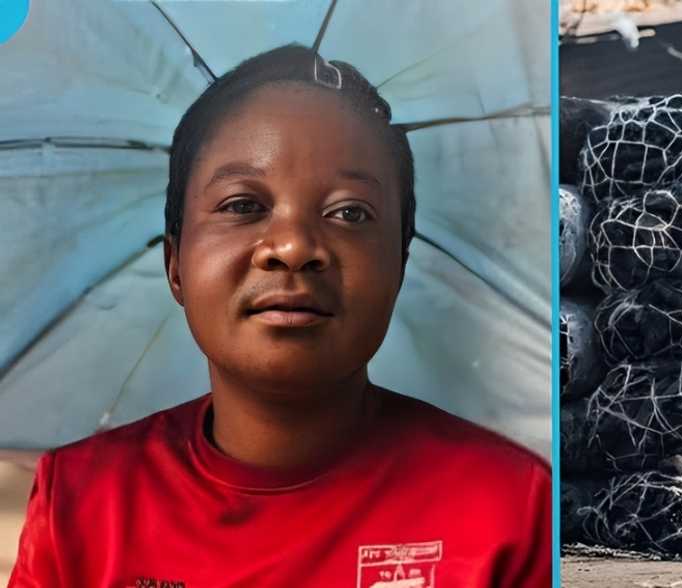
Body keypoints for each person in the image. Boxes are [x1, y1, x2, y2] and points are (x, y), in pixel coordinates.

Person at [8, 44, 550, 587]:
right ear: (176, 265)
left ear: (399, 265)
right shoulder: (79, 504)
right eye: (243, 205)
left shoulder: (511, 511)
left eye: (349, 212)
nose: (292, 247)